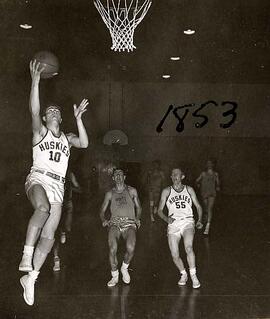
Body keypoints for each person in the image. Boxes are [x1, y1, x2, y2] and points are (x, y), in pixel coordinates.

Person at [18, 60, 89, 306]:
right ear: (47, 117)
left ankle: (31, 278)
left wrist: (78, 118)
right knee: (42, 209)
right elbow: (34, 111)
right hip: (38, 178)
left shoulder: (67, 139)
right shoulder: (40, 132)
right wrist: (36, 82)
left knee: (49, 236)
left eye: (58, 111)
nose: (54, 112)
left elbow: (85, 143)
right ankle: (26, 255)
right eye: (51, 111)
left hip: (58, 186)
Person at [158, 168, 203, 288]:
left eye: (177, 174)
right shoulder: (166, 191)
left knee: (188, 247)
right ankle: (184, 274)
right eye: (172, 174)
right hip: (173, 224)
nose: (174, 176)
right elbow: (159, 211)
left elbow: (198, 206)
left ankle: (193, 276)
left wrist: (199, 220)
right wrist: (167, 219)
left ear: (182, 176)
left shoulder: (189, 189)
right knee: (174, 255)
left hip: (187, 221)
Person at [100, 168, 142, 287]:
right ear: (113, 178)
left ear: (124, 177)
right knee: (112, 249)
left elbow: (139, 207)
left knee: (131, 248)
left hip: (129, 223)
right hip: (115, 223)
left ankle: (124, 267)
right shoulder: (110, 193)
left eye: (120, 174)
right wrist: (103, 220)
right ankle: (114, 276)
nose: (118, 176)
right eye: (116, 175)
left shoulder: (132, 190)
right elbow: (102, 210)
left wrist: (138, 218)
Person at [53, 170, 81, 272]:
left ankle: (63, 233)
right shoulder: (53, 170)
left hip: (67, 204)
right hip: (55, 203)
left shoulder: (70, 174)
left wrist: (71, 187)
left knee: (66, 230)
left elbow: (79, 189)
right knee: (55, 232)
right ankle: (56, 259)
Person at [196, 160, 220, 235]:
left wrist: (218, 186)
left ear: (213, 165)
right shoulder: (203, 174)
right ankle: (205, 221)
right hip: (204, 192)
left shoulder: (215, 174)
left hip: (212, 192)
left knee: (210, 208)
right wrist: (198, 184)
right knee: (206, 208)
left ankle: (207, 226)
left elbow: (218, 182)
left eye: (210, 163)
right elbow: (197, 180)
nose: (209, 165)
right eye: (208, 163)